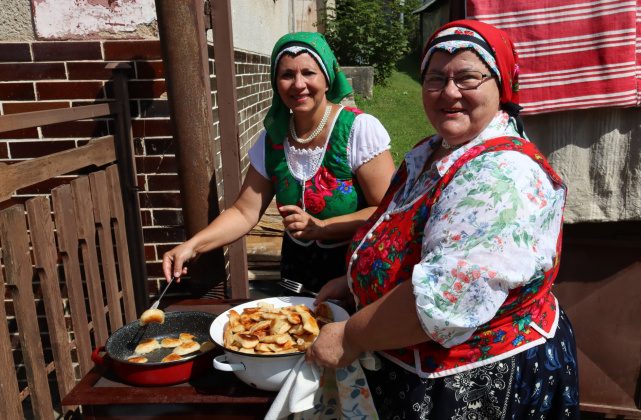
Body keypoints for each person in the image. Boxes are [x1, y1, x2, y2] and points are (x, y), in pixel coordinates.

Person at [305, 20, 580, 419]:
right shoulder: (433, 151)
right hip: (408, 364)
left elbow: (447, 300)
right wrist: (356, 283)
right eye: (435, 79)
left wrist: (350, 334)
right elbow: (401, 235)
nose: (449, 92)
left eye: (468, 77)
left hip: (475, 383)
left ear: (500, 85)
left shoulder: (503, 176)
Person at [162, 32, 395, 294]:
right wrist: (194, 245)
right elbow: (244, 212)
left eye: (309, 72)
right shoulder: (272, 138)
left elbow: (387, 209)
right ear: (276, 83)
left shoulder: (357, 130)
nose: (298, 84)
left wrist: (323, 228)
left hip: (353, 272)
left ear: (327, 78)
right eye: (286, 75)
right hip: (295, 275)